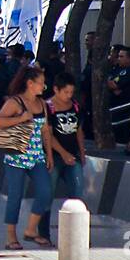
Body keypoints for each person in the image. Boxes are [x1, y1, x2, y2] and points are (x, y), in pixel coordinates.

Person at [0, 66, 54, 250]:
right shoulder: (15, 103)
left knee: (46, 192)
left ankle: (30, 229)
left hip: (36, 155)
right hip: (17, 155)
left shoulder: (42, 104)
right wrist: (21, 118)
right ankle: (11, 237)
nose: (43, 87)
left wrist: (49, 154)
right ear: (30, 84)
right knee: (15, 195)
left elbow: (45, 130)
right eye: (41, 83)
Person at [39, 71, 84, 242]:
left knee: (77, 194)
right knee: (48, 195)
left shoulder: (75, 106)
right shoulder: (48, 108)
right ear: (56, 90)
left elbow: (79, 130)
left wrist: (81, 152)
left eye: (71, 92)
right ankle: (43, 233)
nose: (68, 96)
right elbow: (48, 136)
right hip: (55, 157)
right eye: (65, 92)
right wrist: (61, 154)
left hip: (73, 156)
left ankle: (78, 235)